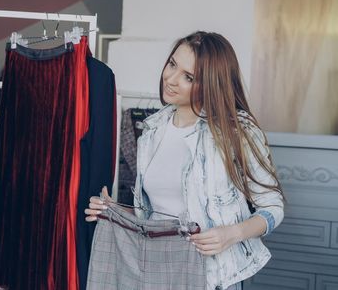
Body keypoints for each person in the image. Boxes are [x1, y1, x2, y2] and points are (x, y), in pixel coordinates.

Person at [85, 31, 285, 290]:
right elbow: (157, 214)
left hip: (212, 276)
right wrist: (114, 211)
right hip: (159, 270)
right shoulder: (151, 131)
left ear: (211, 83)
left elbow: (273, 207)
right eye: (172, 65)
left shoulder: (236, 132)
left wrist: (230, 234)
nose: (170, 79)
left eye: (188, 77)